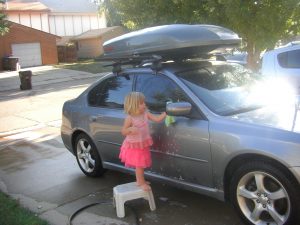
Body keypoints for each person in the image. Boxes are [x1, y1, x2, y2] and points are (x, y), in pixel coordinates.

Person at [119, 92, 166, 191]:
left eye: (144, 102)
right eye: (142, 103)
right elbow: (123, 131)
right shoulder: (130, 118)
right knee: (139, 164)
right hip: (134, 145)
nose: (144, 104)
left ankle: (141, 180)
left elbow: (157, 119)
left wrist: (166, 113)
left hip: (142, 143)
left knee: (141, 163)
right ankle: (140, 182)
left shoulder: (145, 114)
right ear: (134, 105)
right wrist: (130, 129)